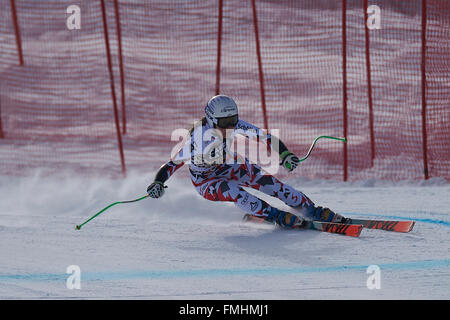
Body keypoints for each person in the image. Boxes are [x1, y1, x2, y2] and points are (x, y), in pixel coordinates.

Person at [146, 95, 348, 229]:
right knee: (235, 192)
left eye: (234, 120)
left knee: (271, 184)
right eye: (225, 123)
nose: (231, 126)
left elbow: (267, 137)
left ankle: (310, 209)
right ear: (211, 119)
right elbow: (171, 164)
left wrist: (285, 155)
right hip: (205, 181)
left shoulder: (233, 123)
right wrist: (157, 182)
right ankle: (273, 215)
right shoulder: (198, 138)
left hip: (229, 165)